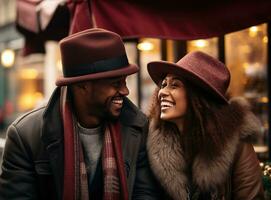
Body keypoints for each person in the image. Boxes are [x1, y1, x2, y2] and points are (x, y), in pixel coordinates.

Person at [0, 28, 160, 200]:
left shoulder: (137, 127)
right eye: (115, 83)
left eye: (124, 82)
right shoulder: (25, 136)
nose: (125, 90)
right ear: (83, 86)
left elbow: (145, 194)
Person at [146, 51, 265, 200]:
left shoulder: (236, 146)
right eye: (164, 85)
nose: (162, 92)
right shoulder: (153, 144)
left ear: (198, 96)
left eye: (175, 85)